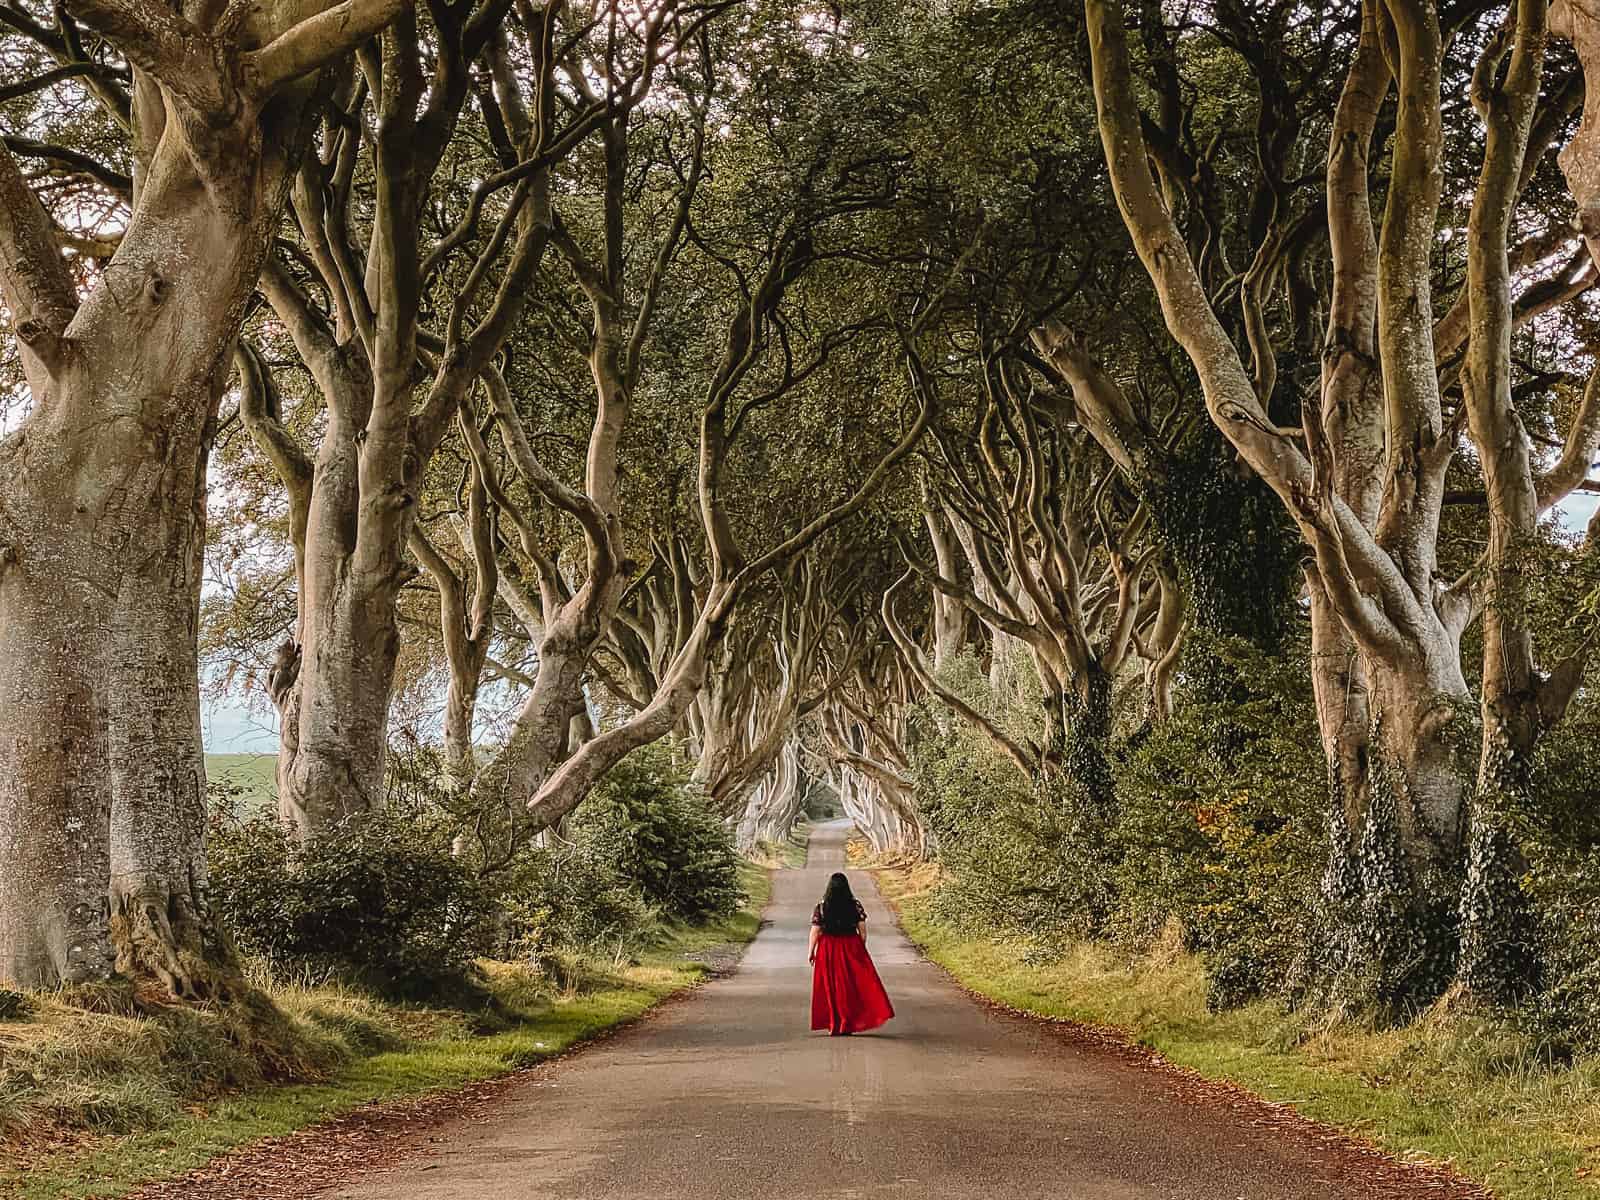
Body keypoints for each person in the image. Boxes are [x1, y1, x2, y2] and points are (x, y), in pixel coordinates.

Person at [808, 871, 894, 1036]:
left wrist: (811, 951)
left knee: (831, 986)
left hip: (828, 948)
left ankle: (834, 1024)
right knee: (851, 986)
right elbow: (862, 930)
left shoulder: (821, 907)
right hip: (850, 945)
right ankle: (847, 1022)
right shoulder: (855, 905)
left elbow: (815, 931)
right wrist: (860, 947)